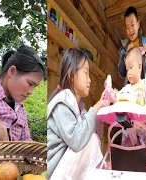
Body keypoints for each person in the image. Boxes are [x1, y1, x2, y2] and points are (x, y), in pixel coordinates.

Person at [47, 48, 108, 179]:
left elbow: (92, 134)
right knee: (90, 140)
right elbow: (77, 140)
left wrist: (101, 111)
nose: (90, 80)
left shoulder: (80, 107)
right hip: (54, 171)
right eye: (86, 73)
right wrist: (96, 108)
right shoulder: (63, 101)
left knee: (92, 138)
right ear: (71, 74)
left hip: (65, 166)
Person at [118, 6, 146, 85]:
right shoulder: (124, 49)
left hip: (144, 86)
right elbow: (121, 73)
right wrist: (125, 55)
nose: (130, 30)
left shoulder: (145, 42)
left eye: (132, 25)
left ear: (138, 24)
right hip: (130, 89)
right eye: (127, 27)